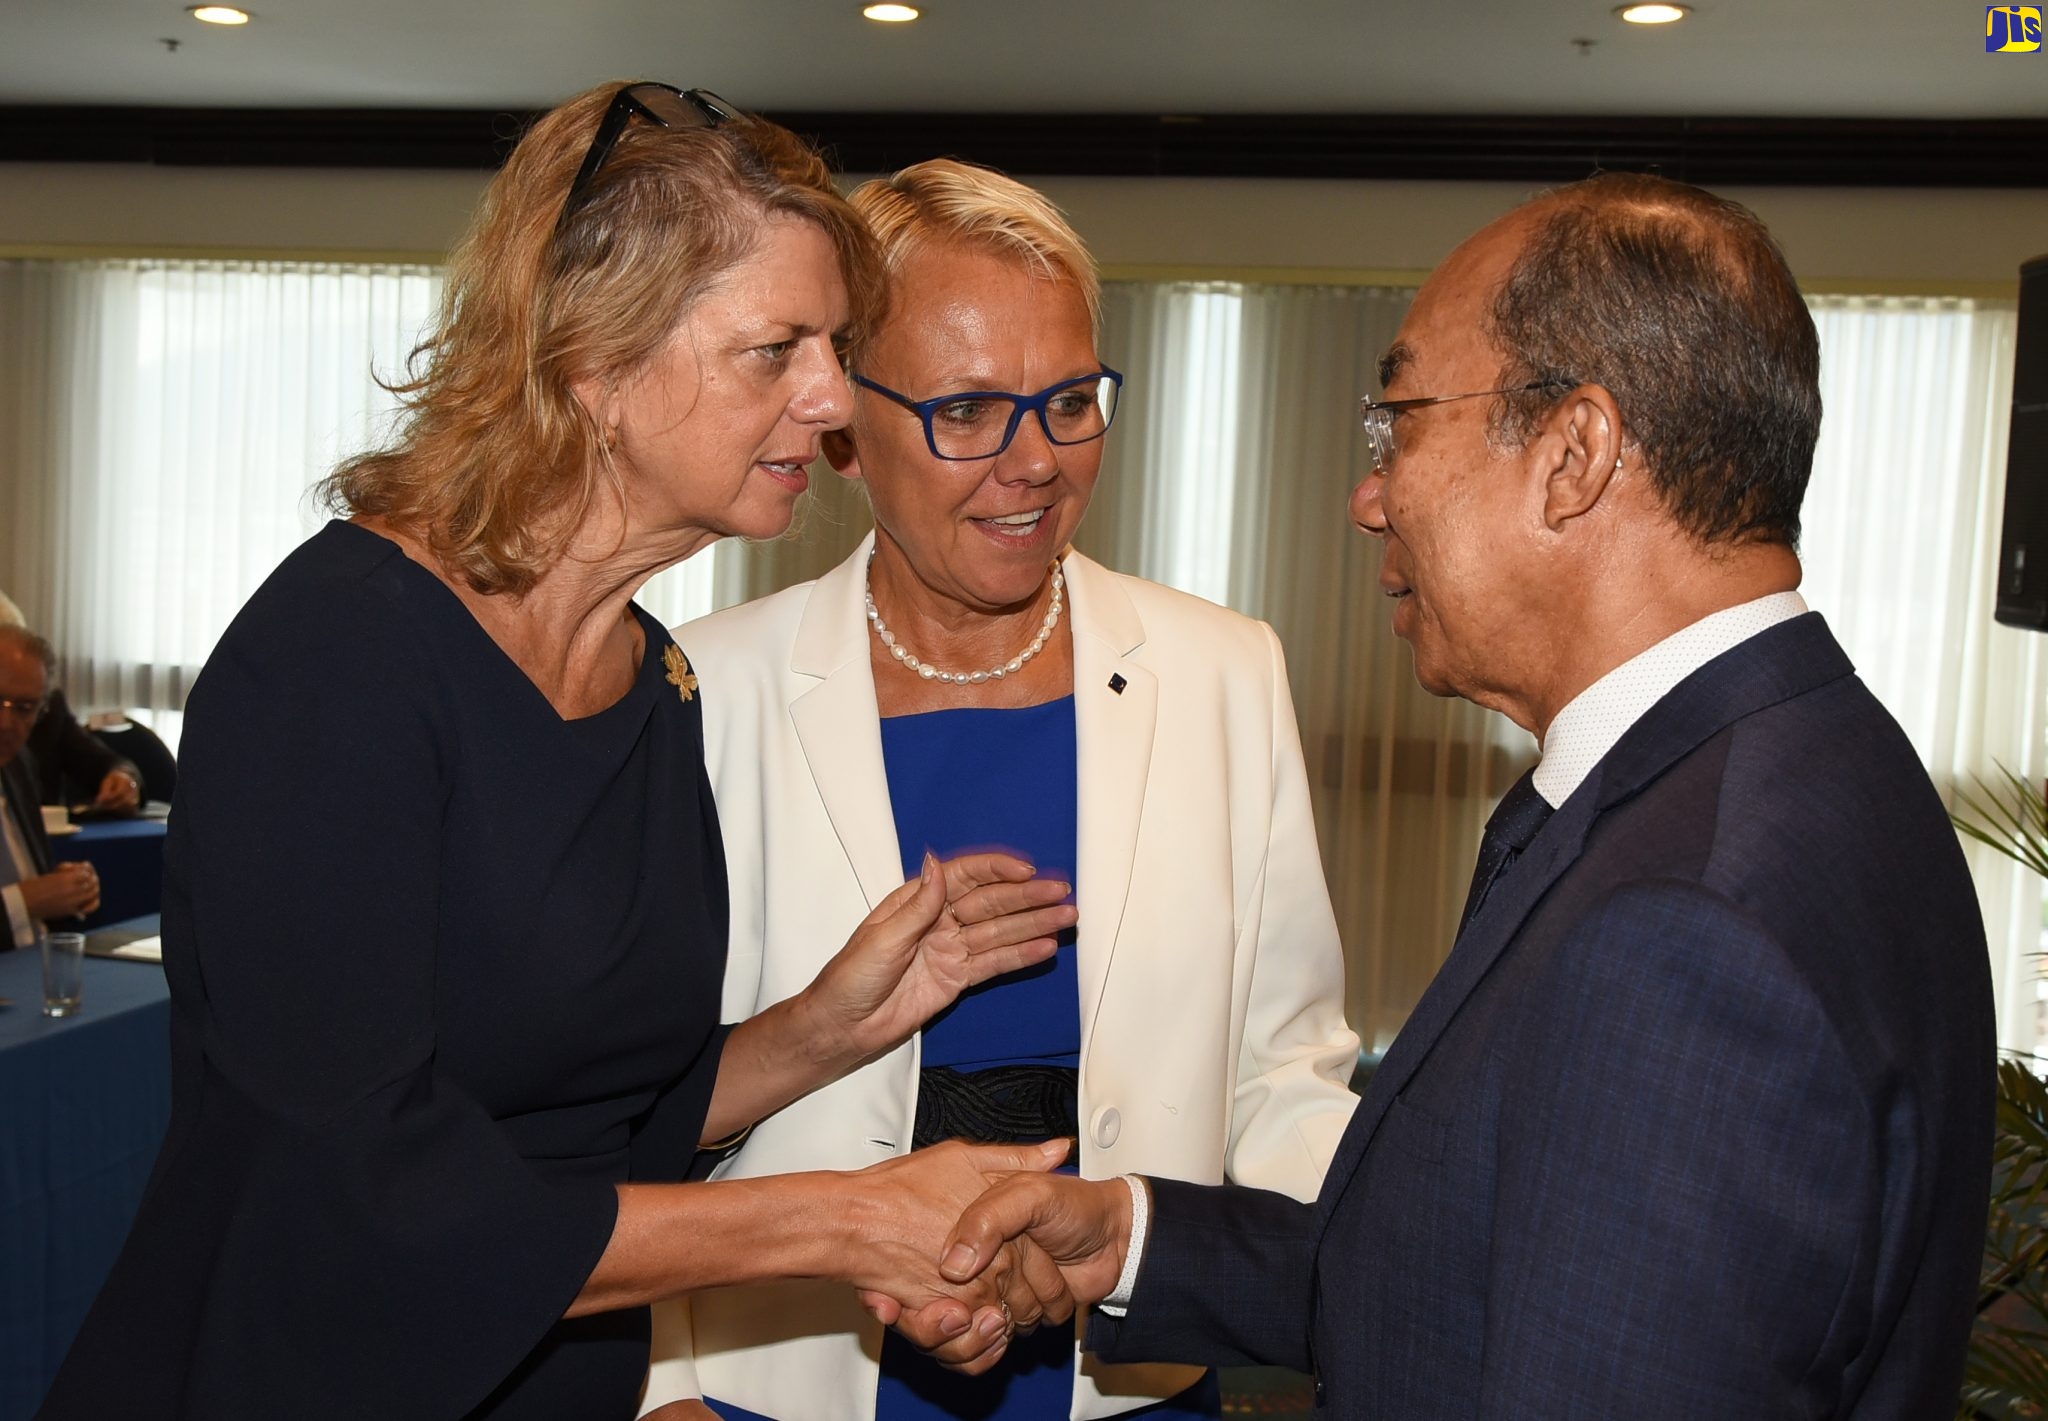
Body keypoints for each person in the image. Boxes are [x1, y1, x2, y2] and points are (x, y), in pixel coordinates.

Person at [39, 83, 1085, 1421]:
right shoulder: (341, 656)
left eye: (833, 344)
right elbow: (364, 1198)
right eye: (778, 348)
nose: (833, 401)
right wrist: (840, 1219)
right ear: (595, 364)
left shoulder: (653, 679)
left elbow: (602, 1120)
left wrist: (838, 1021)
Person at [934, 173, 1997, 1418]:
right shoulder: (1805, 762)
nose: (1366, 492)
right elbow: (1479, 1274)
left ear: (1573, 454)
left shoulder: (1686, 923)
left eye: (1401, 422)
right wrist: (1132, 1240)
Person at [643, 159, 1359, 1421]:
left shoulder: (1223, 671)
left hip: (1121, 1377)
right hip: (781, 1383)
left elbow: (1280, 1072)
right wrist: (658, 1386)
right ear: (843, 425)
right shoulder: (702, 689)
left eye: (1069, 400)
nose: (1034, 461)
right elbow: (631, 1108)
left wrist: (1396, 1283)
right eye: (967, 409)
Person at [0, 624, 102, 947]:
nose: (6, 723)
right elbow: (29, 899)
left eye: (24, 708)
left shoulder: (18, 766)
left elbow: (37, 890)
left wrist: (69, 888)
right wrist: (26, 902)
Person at [0, 591, 143, 811]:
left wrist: (123, 780)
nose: (7, 723)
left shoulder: (49, 711)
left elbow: (102, 763)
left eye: (24, 707)